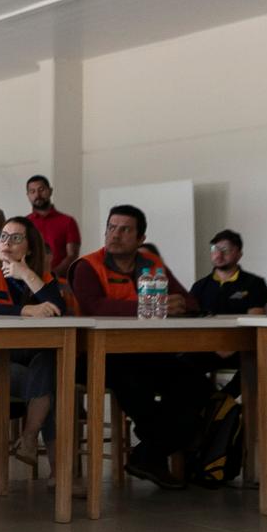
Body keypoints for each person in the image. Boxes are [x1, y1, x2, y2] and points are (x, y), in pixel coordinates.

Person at [70, 204, 211, 489]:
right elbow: (95, 306)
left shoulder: (152, 264)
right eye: (111, 227)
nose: (115, 235)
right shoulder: (88, 266)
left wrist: (181, 305)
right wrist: (155, 305)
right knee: (135, 384)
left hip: (146, 351)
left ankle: (148, 454)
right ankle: (170, 444)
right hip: (95, 356)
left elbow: (190, 300)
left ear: (140, 238)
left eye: (125, 229)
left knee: (195, 383)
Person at [0, 217, 79, 495]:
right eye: (3, 236)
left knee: (48, 363)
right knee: (53, 386)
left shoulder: (41, 278)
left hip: (31, 358)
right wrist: (28, 311)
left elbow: (58, 309)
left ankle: (29, 437)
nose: (6, 243)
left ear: (29, 247)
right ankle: (61, 475)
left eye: (16, 238)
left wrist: (27, 274)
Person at [190, 230, 267, 316]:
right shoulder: (199, 286)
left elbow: (255, 321)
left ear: (239, 255)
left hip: (240, 329)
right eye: (215, 249)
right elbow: (191, 317)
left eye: (226, 249)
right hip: (206, 329)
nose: (218, 254)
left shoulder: (255, 283)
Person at [24, 175, 82, 277]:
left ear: (50, 191)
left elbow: (72, 255)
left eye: (41, 189)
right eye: (32, 191)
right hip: (28, 281)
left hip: (59, 282)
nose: (37, 194)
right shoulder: (24, 223)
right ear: (28, 195)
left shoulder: (68, 221)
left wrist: (52, 275)